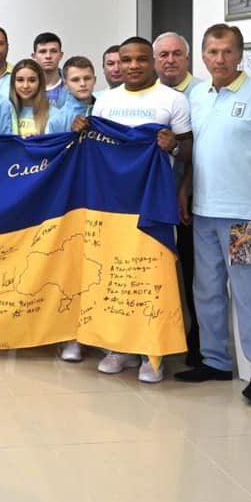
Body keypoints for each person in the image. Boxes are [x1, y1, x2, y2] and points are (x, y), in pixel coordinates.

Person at [174, 23, 251, 406]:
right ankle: (216, 361)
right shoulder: (197, 95)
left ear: (240, 55)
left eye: (227, 52)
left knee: (250, 294)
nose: (219, 59)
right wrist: (186, 187)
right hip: (204, 212)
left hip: (246, 217)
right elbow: (198, 149)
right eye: (212, 52)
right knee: (206, 290)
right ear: (203, 56)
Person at [73, 37, 192, 382]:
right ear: (118, 64)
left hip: (153, 201)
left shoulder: (173, 99)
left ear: (152, 61)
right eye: (126, 60)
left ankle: (151, 354)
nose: (133, 65)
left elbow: (188, 150)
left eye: (141, 59)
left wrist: (173, 146)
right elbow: (93, 149)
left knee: (151, 274)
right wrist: (80, 130)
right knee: (113, 272)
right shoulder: (105, 102)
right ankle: (118, 348)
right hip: (110, 203)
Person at [154, 31, 205, 366]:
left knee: (194, 273)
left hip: (192, 199)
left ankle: (198, 341)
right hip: (154, 199)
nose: (170, 60)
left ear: (187, 58)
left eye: (176, 54)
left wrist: (185, 188)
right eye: (163, 55)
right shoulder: (148, 95)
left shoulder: (202, 94)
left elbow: (200, 149)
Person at [46, 56, 97, 134]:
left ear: (94, 80)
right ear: (65, 84)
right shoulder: (57, 121)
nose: (82, 84)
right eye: (75, 80)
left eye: (87, 78)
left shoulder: (106, 109)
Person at [7, 59, 50, 138]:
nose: (25, 86)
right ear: (13, 83)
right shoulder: (5, 111)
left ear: (40, 83)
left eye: (32, 80)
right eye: (20, 80)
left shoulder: (53, 113)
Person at [32, 32, 69, 108]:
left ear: (61, 55)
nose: (48, 56)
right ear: (34, 56)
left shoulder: (72, 85)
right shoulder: (25, 86)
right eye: (42, 51)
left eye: (53, 51)